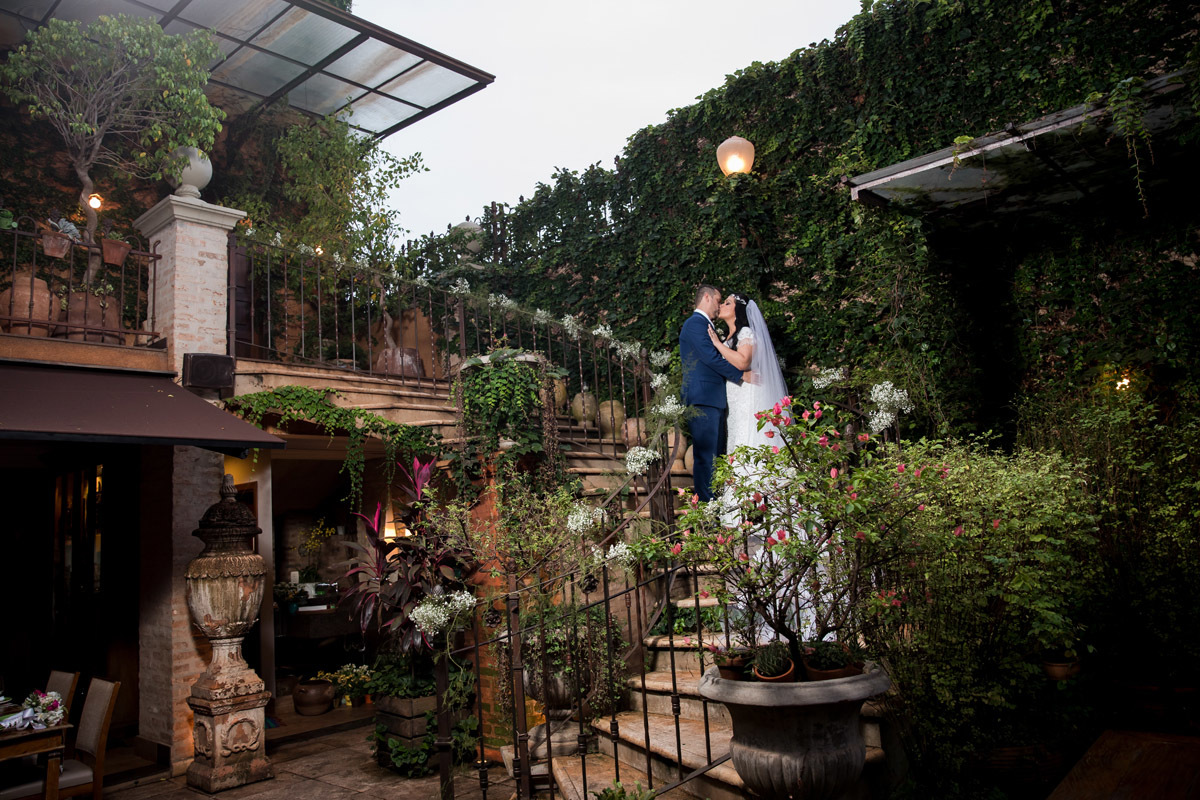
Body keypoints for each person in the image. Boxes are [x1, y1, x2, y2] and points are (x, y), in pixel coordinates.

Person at [679, 285, 750, 501]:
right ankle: (707, 511)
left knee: (716, 458)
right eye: (718, 300)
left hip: (713, 399)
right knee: (705, 457)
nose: (719, 306)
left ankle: (716, 506)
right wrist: (740, 375)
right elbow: (711, 357)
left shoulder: (705, 325)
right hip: (703, 399)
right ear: (707, 297)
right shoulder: (695, 324)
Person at [707, 292, 789, 452]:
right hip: (735, 397)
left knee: (749, 438)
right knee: (737, 437)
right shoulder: (729, 338)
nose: (722, 305)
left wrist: (717, 344)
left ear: (739, 310)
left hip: (749, 394)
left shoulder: (746, 332)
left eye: (727, 303)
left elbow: (742, 361)